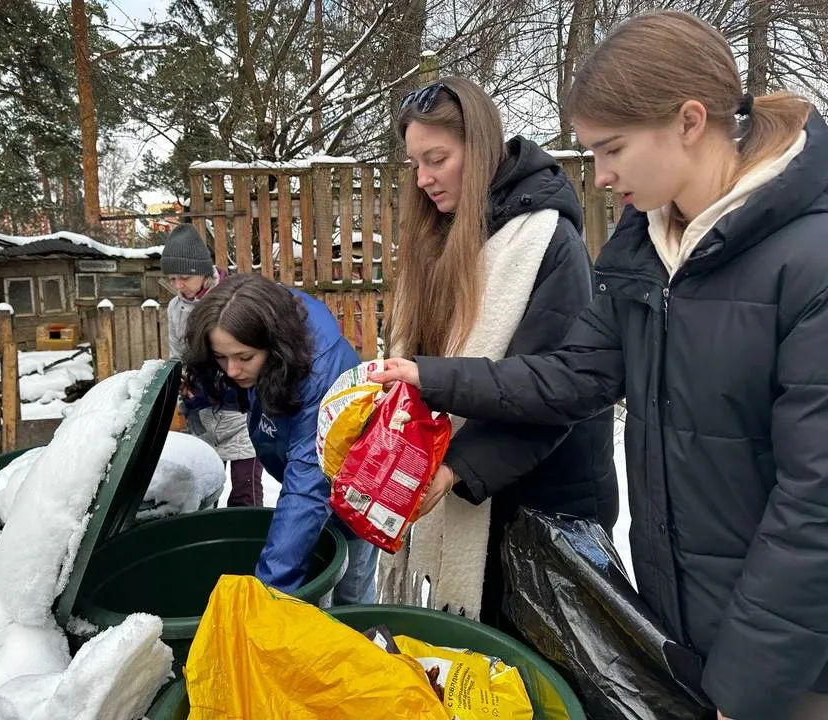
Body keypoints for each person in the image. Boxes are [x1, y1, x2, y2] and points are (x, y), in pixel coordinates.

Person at [373, 11, 828, 720]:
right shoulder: (645, 248)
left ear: (688, 120)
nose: (600, 174)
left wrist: (748, 688)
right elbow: (572, 375)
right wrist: (432, 377)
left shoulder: (811, 263)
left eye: (611, 148)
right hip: (681, 624)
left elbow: (815, 504)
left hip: (790, 660)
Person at [377, 75, 617, 625]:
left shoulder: (548, 244)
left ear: (480, 146)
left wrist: (455, 469)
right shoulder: (440, 238)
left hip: (542, 507)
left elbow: (553, 387)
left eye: (436, 158)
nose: (424, 179)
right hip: (467, 484)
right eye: (415, 164)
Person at [183, 272, 378, 604]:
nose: (231, 370)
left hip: (356, 493)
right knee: (311, 570)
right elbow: (243, 386)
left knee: (351, 592)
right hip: (306, 481)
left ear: (276, 347)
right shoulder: (261, 326)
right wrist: (200, 392)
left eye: (244, 358)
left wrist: (267, 598)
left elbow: (307, 489)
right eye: (220, 357)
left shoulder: (320, 378)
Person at [162, 223, 264, 506]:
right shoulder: (176, 308)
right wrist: (179, 382)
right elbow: (176, 354)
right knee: (207, 488)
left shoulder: (233, 299)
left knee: (245, 492)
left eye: (184, 277)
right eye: (173, 279)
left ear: (205, 273)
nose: (179, 285)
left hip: (239, 410)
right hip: (202, 412)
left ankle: (245, 542)